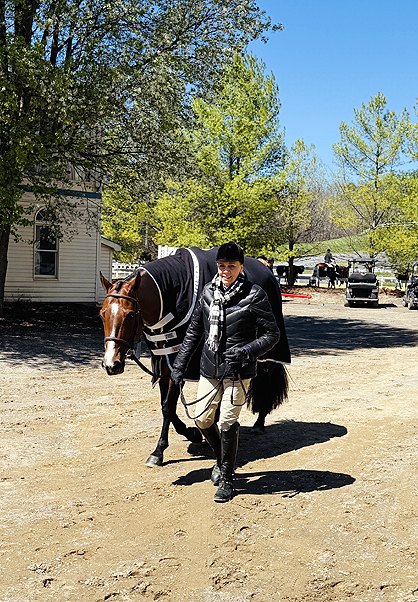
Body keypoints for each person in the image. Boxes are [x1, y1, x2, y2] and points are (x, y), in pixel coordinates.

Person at [171, 242, 280, 503]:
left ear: (241, 267)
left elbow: (272, 334)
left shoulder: (255, 295)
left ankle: (227, 479)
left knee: (227, 422)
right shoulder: (208, 293)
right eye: (221, 266)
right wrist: (179, 366)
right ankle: (221, 460)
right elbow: (194, 332)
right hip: (209, 368)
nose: (225, 271)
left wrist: (247, 351)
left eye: (231, 266)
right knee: (201, 419)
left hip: (238, 372)